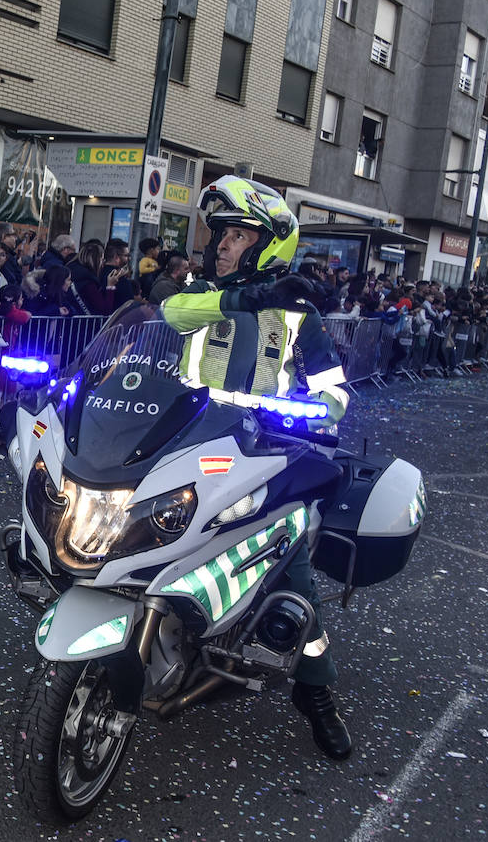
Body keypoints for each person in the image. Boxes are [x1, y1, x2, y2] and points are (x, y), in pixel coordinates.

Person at [161, 175, 353, 760]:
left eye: (238, 235)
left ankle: (316, 695)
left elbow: (337, 392)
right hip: (191, 444)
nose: (221, 245)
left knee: (294, 582)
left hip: (268, 456)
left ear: (268, 245)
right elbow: (168, 314)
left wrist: (315, 413)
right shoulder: (200, 294)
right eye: (220, 233)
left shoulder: (301, 317)